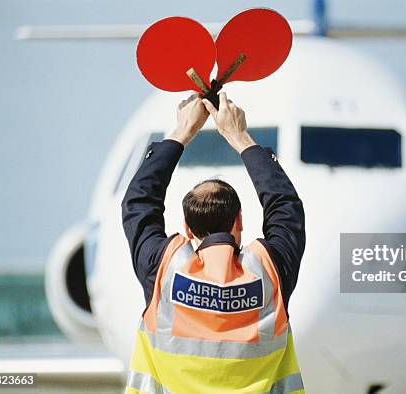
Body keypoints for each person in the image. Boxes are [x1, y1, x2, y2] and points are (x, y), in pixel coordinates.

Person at [121, 92, 306, 393]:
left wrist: (182, 132)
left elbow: (138, 202)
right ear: (240, 221)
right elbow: (287, 208)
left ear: (187, 229)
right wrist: (240, 137)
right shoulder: (269, 273)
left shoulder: (165, 271)